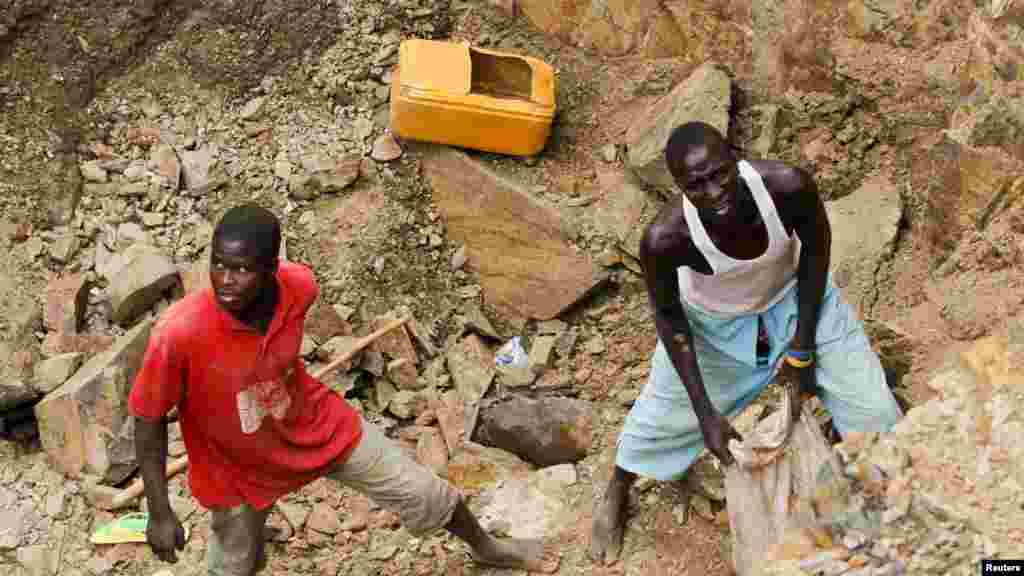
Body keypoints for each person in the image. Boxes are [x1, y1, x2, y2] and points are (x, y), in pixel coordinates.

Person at [129, 204, 558, 575]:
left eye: (241, 269)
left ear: (271, 269)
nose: (225, 280)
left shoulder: (299, 288)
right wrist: (159, 511)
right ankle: (255, 540)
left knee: (422, 491)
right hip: (234, 466)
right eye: (218, 264)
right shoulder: (179, 333)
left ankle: (487, 547)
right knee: (235, 565)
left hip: (308, 422)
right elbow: (147, 419)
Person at [589, 121, 903, 564]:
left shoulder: (788, 188)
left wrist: (802, 347)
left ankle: (896, 502)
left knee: (875, 411)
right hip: (714, 325)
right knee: (664, 414)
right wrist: (704, 413)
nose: (714, 192)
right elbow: (669, 318)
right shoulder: (666, 238)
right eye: (695, 186)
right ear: (677, 188)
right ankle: (619, 486)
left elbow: (816, 257)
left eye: (719, 174)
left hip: (797, 299)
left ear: (737, 158)